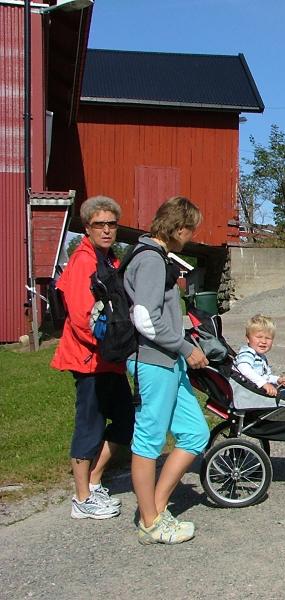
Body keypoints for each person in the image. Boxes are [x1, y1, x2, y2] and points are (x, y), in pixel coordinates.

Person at [124, 196, 209, 545]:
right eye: (191, 230)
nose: (191, 237)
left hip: (168, 361)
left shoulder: (157, 256)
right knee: (148, 440)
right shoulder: (150, 259)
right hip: (152, 361)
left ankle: (156, 511)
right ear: (178, 228)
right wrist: (186, 347)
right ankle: (150, 522)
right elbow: (145, 318)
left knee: (195, 433)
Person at [51, 195, 134, 520]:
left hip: (110, 360)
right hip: (89, 360)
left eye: (112, 224)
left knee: (126, 420)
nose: (107, 230)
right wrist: (114, 342)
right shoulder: (83, 262)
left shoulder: (110, 260)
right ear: (87, 228)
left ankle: (95, 480)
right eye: (100, 225)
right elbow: (81, 318)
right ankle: (82, 498)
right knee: (90, 425)